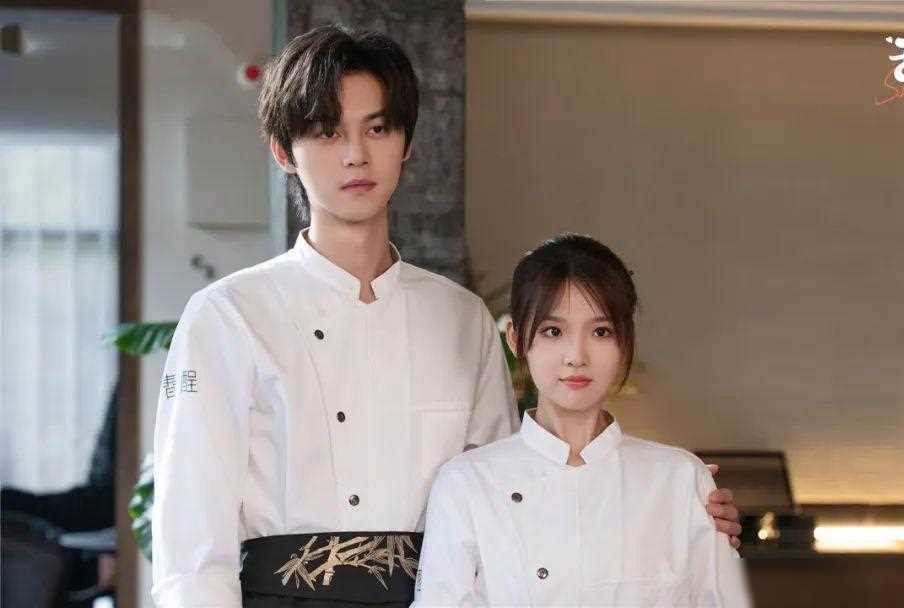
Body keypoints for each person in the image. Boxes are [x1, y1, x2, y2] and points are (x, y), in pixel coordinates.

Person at [152, 25, 742, 608]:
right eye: (327, 132)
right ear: (284, 151)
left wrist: (678, 513)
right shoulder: (230, 316)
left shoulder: (461, 318)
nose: (356, 155)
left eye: (377, 129)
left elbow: (511, 494)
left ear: (407, 143)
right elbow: (190, 547)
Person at [413, 234, 752, 607]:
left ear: (625, 341)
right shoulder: (467, 483)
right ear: (516, 339)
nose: (576, 356)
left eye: (601, 332)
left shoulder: (681, 479)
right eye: (553, 331)